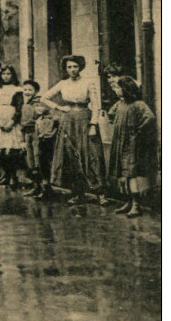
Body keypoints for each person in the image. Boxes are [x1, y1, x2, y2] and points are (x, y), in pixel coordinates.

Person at [41, 55, 105, 205]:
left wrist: (93, 125)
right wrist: (59, 107)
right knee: (71, 156)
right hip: (68, 121)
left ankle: (100, 194)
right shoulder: (63, 83)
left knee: (92, 155)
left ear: (80, 67)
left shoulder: (89, 83)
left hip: (85, 120)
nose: (72, 70)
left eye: (75, 66)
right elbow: (44, 98)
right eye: (69, 67)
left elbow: (96, 106)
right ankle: (78, 193)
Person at [108, 76, 157, 218]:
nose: (115, 90)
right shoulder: (120, 103)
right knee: (123, 173)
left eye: (117, 87)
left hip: (132, 143)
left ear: (126, 89)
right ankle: (128, 201)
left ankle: (136, 204)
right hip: (120, 141)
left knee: (131, 172)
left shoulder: (138, 104)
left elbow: (150, 118)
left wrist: (137, 130)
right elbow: (111, 114)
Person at [0, 65, 26, 189]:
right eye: (3, 74)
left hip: (11, 120)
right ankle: (6, 175)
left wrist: (12, 122)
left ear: (13, 75)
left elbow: (19, 108)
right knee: (0, 150)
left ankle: (13, 176)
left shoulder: (17, 90)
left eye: (8, 74)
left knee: (12, 151)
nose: (6, 76)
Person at [20, 80, 43, 197]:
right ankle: (36, 186)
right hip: (27, 134)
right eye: (25, 90)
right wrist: (22, 139)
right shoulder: (25, 105)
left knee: (38, 159)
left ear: (36, 91)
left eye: (30, 90)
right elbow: (22, 123)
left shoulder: (39, 104)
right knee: (30, 161)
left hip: (36, 133)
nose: (27, 92)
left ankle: (45, 188)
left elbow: (43, 118)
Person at [33, 103, 59, 200]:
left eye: (41, 106)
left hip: (50, 143)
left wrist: (50, 135)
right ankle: (45, 188)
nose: (38, 108)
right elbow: (37, 132)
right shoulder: (39, 120)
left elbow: (56, 130)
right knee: (42, 164)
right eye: (37, 106)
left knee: (49, 164)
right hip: (41, 144)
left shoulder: (54, 119)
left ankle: (49, 188)